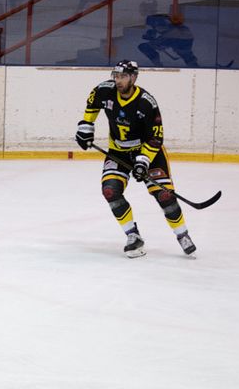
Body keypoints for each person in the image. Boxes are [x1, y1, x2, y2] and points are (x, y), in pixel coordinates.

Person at [75, 59, 196, 258]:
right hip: (118, 152)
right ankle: (133, 235)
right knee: (110, 190)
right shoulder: (104, 91)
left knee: (165, 196)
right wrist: (86, 127)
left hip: (148, 153)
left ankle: (182, 234)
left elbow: (156, 138)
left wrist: (143, 161)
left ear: (133, 77)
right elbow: (92, 104)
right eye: (116, 76)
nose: (118, 80)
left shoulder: (146, 102)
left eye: (123, 76)